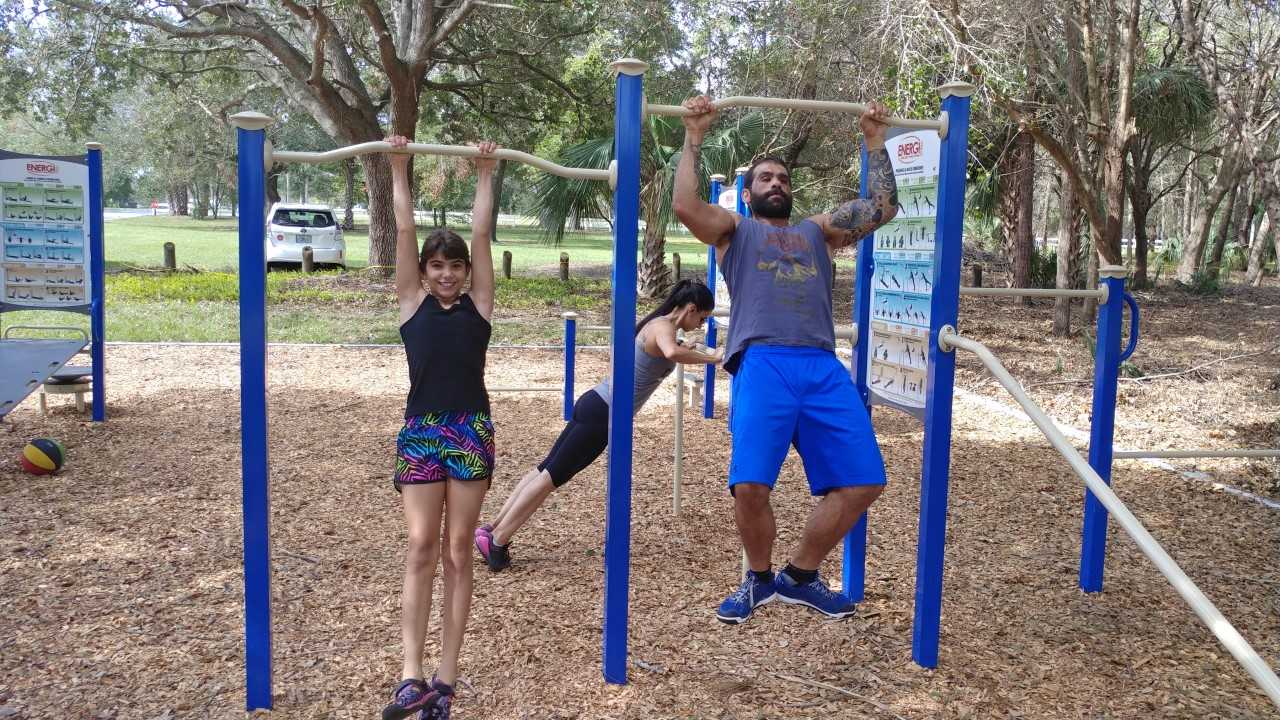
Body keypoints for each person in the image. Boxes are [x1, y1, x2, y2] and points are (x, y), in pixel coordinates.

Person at [671, 95, 900, 624]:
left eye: (783, 178)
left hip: (821, 366)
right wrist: (694, 137)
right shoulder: (735, 232)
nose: (777, 183)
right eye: (766, 178)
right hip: (763, 363)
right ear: (748, 193)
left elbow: (883, 208)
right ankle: (757, 578)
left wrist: (874, 142)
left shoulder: (818, 231)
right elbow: (685, 207)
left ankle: (799, 577)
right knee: (750, 484)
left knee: (865, 481)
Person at [474, 279, 722, 571]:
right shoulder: (664, 328)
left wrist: (686, 344)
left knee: (544, 470)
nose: (699, 325)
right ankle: (499, 541)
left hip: (595, 403)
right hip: (604, 414)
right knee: (549, 478)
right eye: (701, 318)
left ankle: (492, 529)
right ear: (691, 309)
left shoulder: (657, 323)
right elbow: (670, 352)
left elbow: (668, 348)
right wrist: (712, 357)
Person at [381, 136, 498, 720]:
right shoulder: (410, 303)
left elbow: (480, 234)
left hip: (469, 431)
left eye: (455, 266)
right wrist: (399, 167)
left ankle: (445, 679)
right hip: (422, 433)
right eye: (437, 265)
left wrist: (484, 172)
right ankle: (411, 673)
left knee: (459, 550)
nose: (447, 273)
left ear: (467, 272)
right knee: (422, 546)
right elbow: (403, 232)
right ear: (424, 272)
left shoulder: (479, 306)